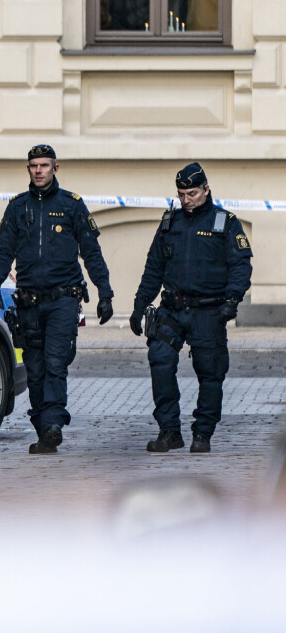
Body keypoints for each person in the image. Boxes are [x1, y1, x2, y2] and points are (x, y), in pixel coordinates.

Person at [0, 144, 114, 454]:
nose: (39, 170)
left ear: (56, 168)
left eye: (44, 165)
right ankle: (44, 429)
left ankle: (54, 423)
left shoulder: (72, 205)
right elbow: (3, 251)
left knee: (56, 363)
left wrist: (105, 292)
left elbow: (91, 252)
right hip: (29, 302)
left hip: (63, 300)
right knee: (35, 367)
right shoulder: (17, 208)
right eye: (33, 165)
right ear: (28, 169)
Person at [129, 163, 252, 454]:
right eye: (182, 194)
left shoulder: (225, 223)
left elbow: (241, 265)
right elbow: (153, 267)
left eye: (193, 194)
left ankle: (203, 434)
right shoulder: (170, 222)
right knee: (160, 360)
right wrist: (139, 304)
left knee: (210, 372)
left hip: (209, 310)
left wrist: (232, 301)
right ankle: (169, 431)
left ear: (207, 190)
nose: (187, 200)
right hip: (172, 308)